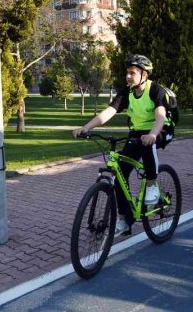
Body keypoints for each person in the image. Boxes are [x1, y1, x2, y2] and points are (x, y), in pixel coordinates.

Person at [73, 54, 174, 236]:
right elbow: (108, 112)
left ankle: (151, 185)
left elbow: (160, 115)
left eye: (132, 73)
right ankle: (124, 219)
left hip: (161, 129)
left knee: (146, 146)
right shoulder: (126, 93)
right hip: (137, 132)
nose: (128, 76)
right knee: (120, 171)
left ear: (144, 74)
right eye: (127, 73)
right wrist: (85, 127)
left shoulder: (155, 90)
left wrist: (153, 134)